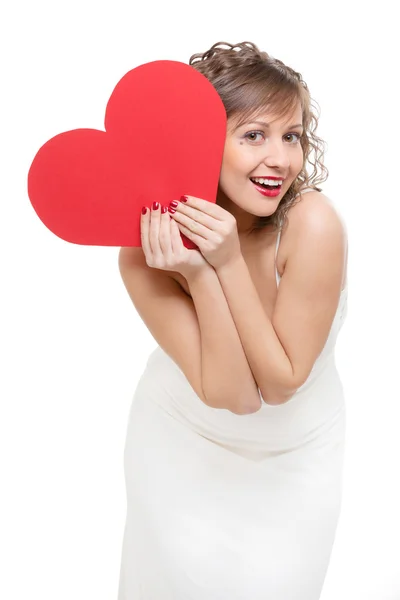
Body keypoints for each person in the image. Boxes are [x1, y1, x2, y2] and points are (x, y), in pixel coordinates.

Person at [117, 41, 348, 600]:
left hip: (294, 456)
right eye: (253, 135)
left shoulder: (312, 224)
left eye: (291, 135)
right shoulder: (143, 252)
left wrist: (222, 264)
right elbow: (233, 396)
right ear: (199, 143)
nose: (280, 159)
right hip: (180, 443)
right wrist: (199, 275)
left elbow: (280, 382)